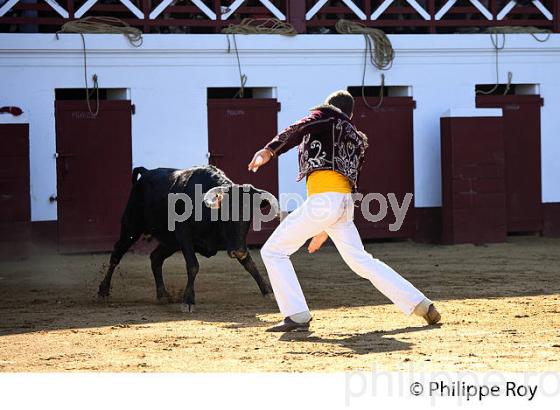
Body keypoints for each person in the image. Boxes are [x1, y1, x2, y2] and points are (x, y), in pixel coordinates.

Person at [248, 90, 441, 332]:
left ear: (330, 106)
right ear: (350, 113)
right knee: (361, 261)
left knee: (273, 251)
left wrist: (269, 150)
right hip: (343, 203)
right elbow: (351, 179)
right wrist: (324, 226)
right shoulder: (356, 136)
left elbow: (298, 129)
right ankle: (421, 304)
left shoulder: (326, 116)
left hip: (324, 201)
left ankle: (296, 314)